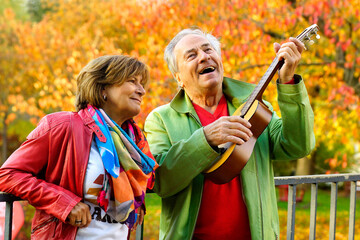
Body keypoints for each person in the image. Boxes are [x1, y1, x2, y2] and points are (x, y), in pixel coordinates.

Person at [144, 28, 315, 240]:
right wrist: (205, 139)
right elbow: (161, 181)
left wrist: (288, 82)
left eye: (208, 50)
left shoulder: (256, 108)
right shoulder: (160, 119)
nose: (204, 56)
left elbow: (298, 145)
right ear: (178, 77)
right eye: (192, 55)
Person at [0, 55, 158, 240]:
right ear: (103, 88)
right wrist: (63, 203)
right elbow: (8, 174)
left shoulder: (134, 142)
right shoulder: (61, 126)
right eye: (132, 81)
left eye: (141, 83)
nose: (142, 91)